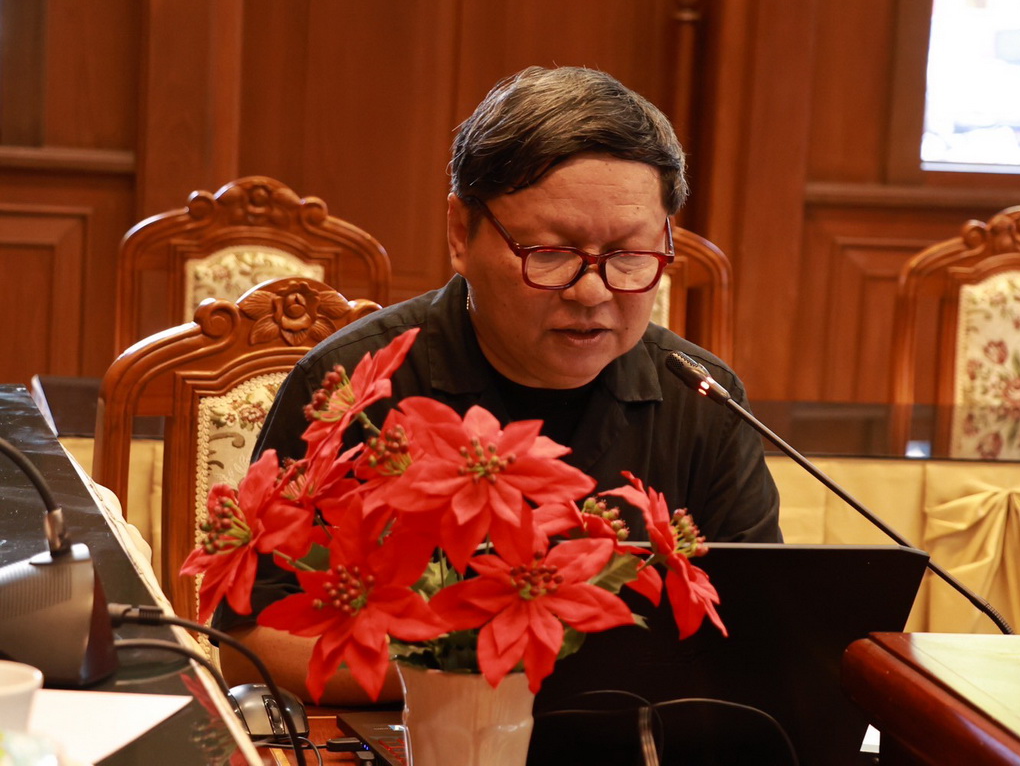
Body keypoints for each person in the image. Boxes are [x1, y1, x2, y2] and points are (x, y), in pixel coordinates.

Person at [214, 65, 781, 703]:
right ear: (462, 233)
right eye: (550, 253)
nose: (591, 291)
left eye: (628, 256)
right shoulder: (353, 386)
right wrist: (472, 670)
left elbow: (759, 631)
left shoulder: (703, 398)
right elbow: (249, 645)